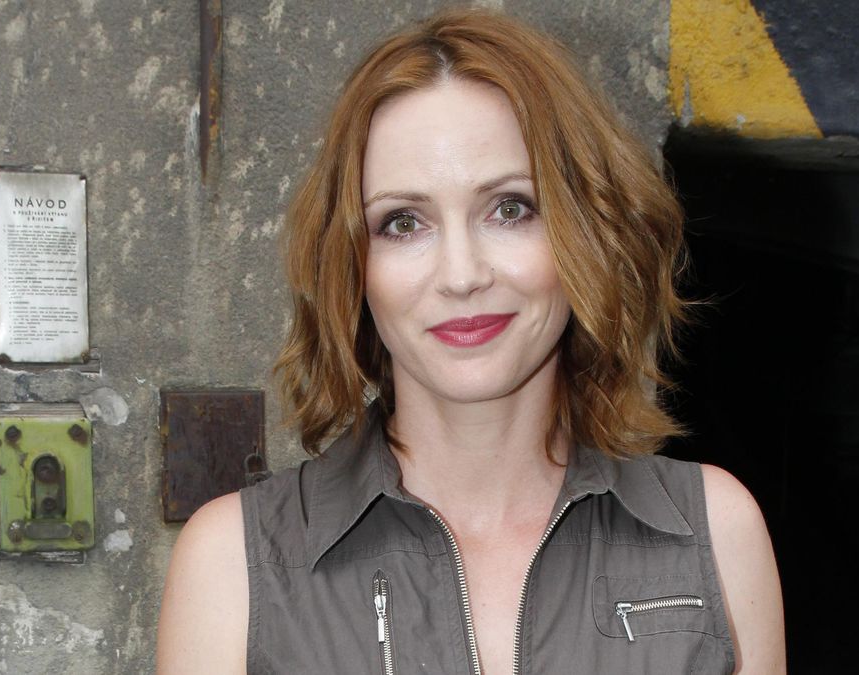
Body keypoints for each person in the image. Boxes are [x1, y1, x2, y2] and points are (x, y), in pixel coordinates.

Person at [157, 7, 784, 674]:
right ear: (351, 265)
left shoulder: (715, 534)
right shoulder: (230, 565)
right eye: (403, 222)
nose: (461, 275)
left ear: (587, 230)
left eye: (510, 208)